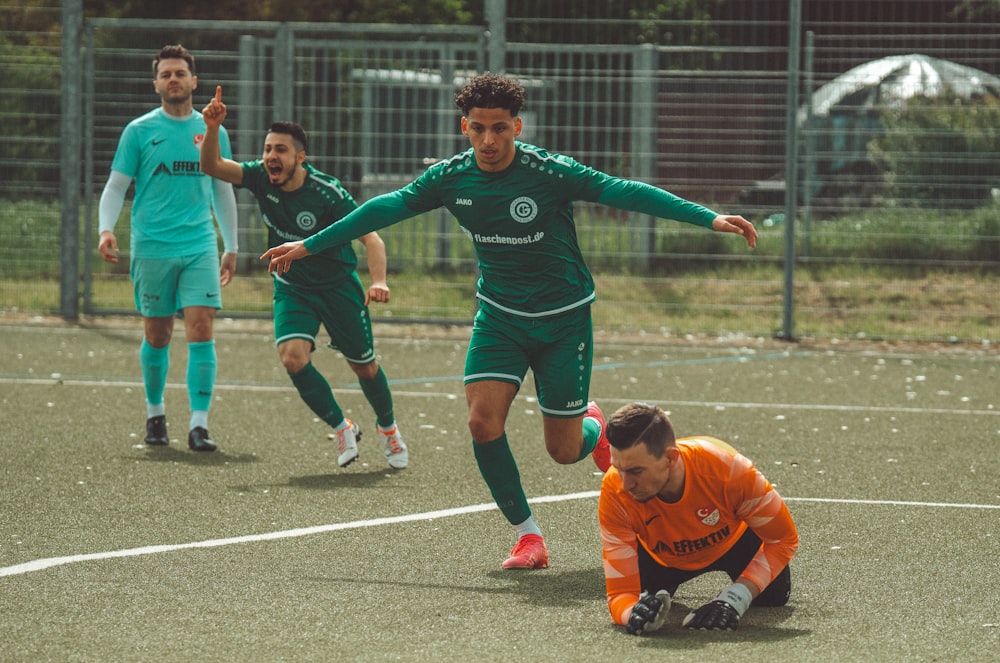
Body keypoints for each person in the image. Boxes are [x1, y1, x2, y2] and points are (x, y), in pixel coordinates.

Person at [260, 72, 758, 568]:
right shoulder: (451, 178)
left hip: (563, 320)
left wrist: (708, 217)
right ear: (465, 128)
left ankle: (594, 426)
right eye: (479, 128)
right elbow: (385, 209)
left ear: (517, 127)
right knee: (481, 421)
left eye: (500, 128)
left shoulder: (549, 171)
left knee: (564, 451)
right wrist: (308, 245)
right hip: (499, 317)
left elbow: (625, 191)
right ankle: (528, 537)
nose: (489, 139)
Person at [199, 88, 408, 469]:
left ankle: (389, 429)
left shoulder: (327, 192)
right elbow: (212, 166)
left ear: (300, 157)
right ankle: (342, 426)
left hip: (338, 288)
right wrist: (212, 127)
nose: (270, 157)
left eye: (280, 150)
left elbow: (371, 237)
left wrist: (379, 281)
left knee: (364, 366)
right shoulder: (261, 178)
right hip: (293, 288)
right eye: (267, 149)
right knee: (293, 358)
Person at [98, 44, 238, 453]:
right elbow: (116, 187)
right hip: (152, 246)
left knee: (201, 327)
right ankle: (155, 414)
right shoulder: (139, 131)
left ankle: (199, 425)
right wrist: (106, 229)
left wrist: (231, 245)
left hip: (198, 245)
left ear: (194, 81)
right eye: (166, 74)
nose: (174, 79)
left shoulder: (214, 131)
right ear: (156, 83)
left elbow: (223, 190)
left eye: (181, 73)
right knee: (158, 334)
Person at [598, 402, 798, 635]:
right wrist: (632, 613)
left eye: (635, 471)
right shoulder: (615, 490)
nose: (625, 483)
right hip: (661, 558)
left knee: (772, 596)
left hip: (734, 544)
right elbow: (620, 595)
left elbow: (783, 539)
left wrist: (735, 599)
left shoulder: (729, 469)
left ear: (671, 458)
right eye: (618, 469)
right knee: (645, 609)